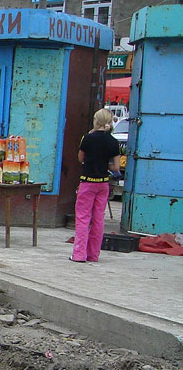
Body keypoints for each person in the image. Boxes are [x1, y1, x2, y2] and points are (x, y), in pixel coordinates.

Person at [71, 107, 120, 263]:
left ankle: (79, 254)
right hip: (103, 184)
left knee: (83, 218)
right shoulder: (113, 142)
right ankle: (93, 255)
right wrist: (104, 164)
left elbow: (81, 158)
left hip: (87, 182)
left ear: (96, 121)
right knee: (98, 219)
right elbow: (116, 167)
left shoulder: (87, 138)